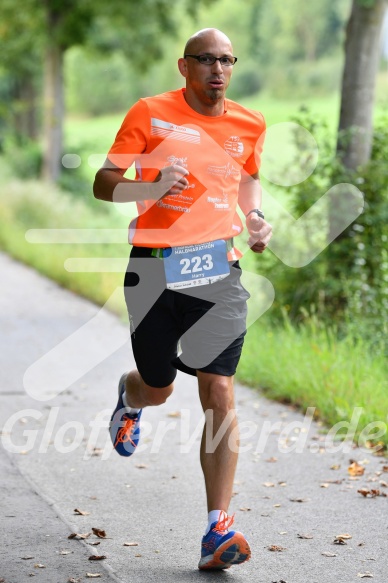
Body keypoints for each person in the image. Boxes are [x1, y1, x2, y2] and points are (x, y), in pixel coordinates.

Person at [93, 28, 272, 571]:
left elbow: (247, 180)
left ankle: (217, 530)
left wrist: (255, 217)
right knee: (159, 386)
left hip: (219, 268)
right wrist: (147, 190)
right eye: (206, 60)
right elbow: (104, 182)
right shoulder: (149, 113)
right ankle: (131, 395)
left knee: (218, 389)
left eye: (226, 61)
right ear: (184, 65)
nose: (218, 70)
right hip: (153, 269)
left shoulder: (249, 123)